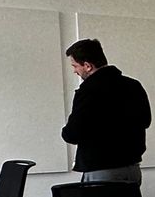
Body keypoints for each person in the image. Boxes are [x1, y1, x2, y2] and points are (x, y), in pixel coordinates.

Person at [62, 38, 150, 185]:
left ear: (88, 66)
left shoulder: (88, 91)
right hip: (132, 169)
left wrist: (65, 131)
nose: (74, 71)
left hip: (101, 171)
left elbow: (72, 133)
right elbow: (146, 121)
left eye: (75, 66)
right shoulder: (133, 85)